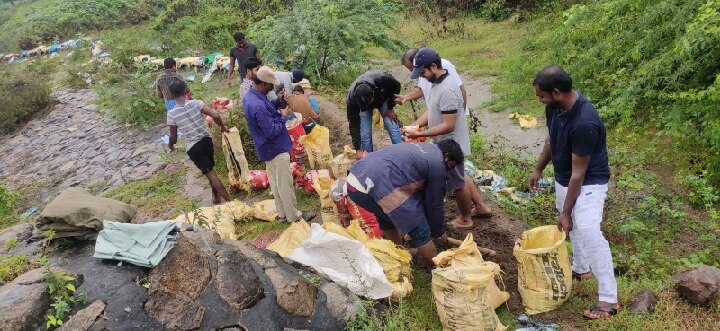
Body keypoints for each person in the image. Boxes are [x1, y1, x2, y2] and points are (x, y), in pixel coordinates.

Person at [528, 65, 618, 320]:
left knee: (588, 228)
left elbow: (580, 173)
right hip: (564, 177)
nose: (540, 100)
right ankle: (580, 268)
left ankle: (609, 298)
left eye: (541, 96)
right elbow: (551, 139)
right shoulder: (554, 109)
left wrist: (567, 211)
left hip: (590, 180)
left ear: (556, 92)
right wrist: (538, 169)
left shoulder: (584, 122)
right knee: (571, 225)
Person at [403, 48, 492, 228]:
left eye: (423, 72)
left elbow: (448, 125)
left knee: (457, 183)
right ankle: (481, 208)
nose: (423, 77)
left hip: (452, 144)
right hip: (445, 141)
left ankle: (466, 219)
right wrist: (416, 126)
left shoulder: (448, 90)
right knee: (461, 176)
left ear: (434, 66)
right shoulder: (437, 83)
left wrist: (420, 134)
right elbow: (433, 110)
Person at [346, 140, 464, 266]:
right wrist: (439, 233)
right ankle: (440, 269)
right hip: (373, 185)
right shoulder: (438, 165)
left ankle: (397, 257)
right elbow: (434, 205)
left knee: (387, 218)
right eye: (451, 167)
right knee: (419, 228)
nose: (449, 171)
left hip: (354, 182)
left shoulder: (425, 149)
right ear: (446, 157)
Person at [243, 66, 315, 223]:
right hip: (274, 146)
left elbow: (267, 112)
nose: (272, 88)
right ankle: (293, 216)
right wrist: (283, 116)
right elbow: (271, 131)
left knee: (276, 183)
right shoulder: (258, 105)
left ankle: (282, 214)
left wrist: (278, 102)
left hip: (266, 148)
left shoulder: (252, 96)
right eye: (270, 85)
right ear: (263, 84)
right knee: (285, 184)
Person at [166, 81, 231, 204]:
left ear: (172, 95)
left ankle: (231, 203)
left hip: (194, 147)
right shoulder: (196, 103)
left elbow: (173, 137)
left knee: (211, 173)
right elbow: (215, 114)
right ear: (185, 91)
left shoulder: (172, 114)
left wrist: (171, 145)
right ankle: (215, 195)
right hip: (207, 141)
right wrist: (222, 127)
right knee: (210, 170)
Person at [396, 48, 469, 116]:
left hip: (453, 115)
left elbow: (461, 88)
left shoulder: (444, 65)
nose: (413, 72)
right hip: (438, 116)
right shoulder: (423, 73)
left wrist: (463, 113)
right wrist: (406, 97)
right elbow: (422, 90)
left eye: (412, 69)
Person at [346, 70, 403, 158]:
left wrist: (390, 107)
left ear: (373, 93)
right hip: (364, 105)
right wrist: (358, 148)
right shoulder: (351, 99)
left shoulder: (381, 79)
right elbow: (354, 124)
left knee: (390, 124)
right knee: (365, 133)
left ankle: (401, 154)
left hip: (383, 98)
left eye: (368, 103)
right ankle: (369, 159)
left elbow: (396, 86)